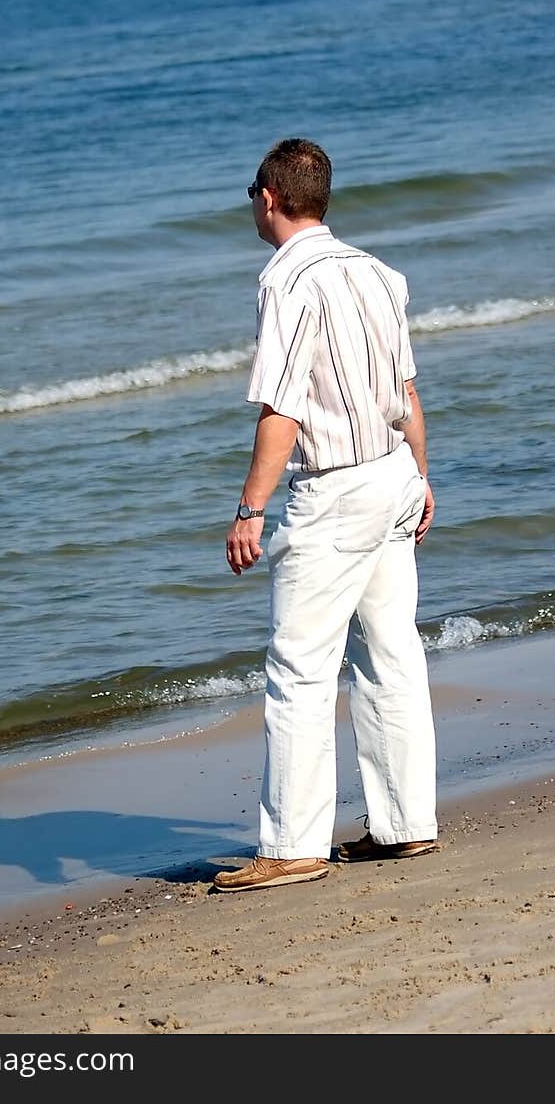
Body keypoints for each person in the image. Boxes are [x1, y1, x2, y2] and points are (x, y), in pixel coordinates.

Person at [214, 138, 438, 893]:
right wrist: (422, 477)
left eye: (253, 193)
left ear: (270, 198)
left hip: (336, 489)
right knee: (390, 654)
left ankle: (293, 845)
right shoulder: (378, 272)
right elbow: (407, 392)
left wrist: (250, 507)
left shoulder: (285, 280)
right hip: (392, 472)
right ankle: (405, 824)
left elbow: (282, 408)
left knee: (300, 668)